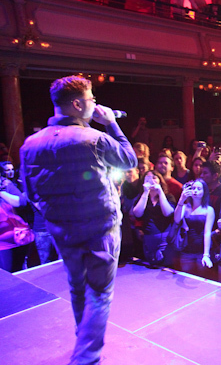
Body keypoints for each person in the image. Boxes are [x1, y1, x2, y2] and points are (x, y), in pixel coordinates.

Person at [20, 75, 137, 364]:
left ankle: (81, 335)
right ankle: (86, 358)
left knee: (77, 286)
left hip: (61, 229)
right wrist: (111, 123)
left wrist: (55, 215)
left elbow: (30, 193)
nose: (95, 104)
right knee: (99, 293)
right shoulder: (94, 139)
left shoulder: (29, 144)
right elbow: (129, 161)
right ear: (76, 104)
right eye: (91, 99)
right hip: (101, 229)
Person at [131, 170, 175, 265]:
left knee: (165, 265)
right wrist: (145, 193)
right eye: (148, 178)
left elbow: (168, 213)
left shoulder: (168, 197)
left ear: (160, 180)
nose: (151, 180)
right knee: (151, 266)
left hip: (165, 238)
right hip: (149, 238)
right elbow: (137, 214)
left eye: (154, 178)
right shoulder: (141, 198)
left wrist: (160, 192)